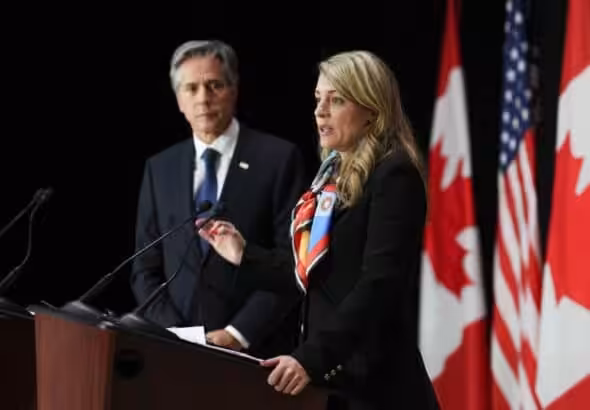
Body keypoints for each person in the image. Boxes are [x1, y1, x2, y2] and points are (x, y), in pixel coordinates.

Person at [197, 50, 440, 409]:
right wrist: (244, 254)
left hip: (376, 386)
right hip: (335, 384)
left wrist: (310, 358)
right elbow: (313, 272)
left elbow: (380, 283)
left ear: (372, 109)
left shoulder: (394, 174)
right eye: (317, 99)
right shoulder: (330, 180)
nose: (320, 111)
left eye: (336, 100)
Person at [130, 40, 306, 358]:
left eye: (214, 85)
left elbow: (292, 262)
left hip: (255, 355)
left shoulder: (278, 159)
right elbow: (144, 268)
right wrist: (177, 336)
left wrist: (237, 334)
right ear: (178, 99)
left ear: (234, 89)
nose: (203, 99)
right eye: (191, 88)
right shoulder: (160, 167)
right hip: (174, 355)